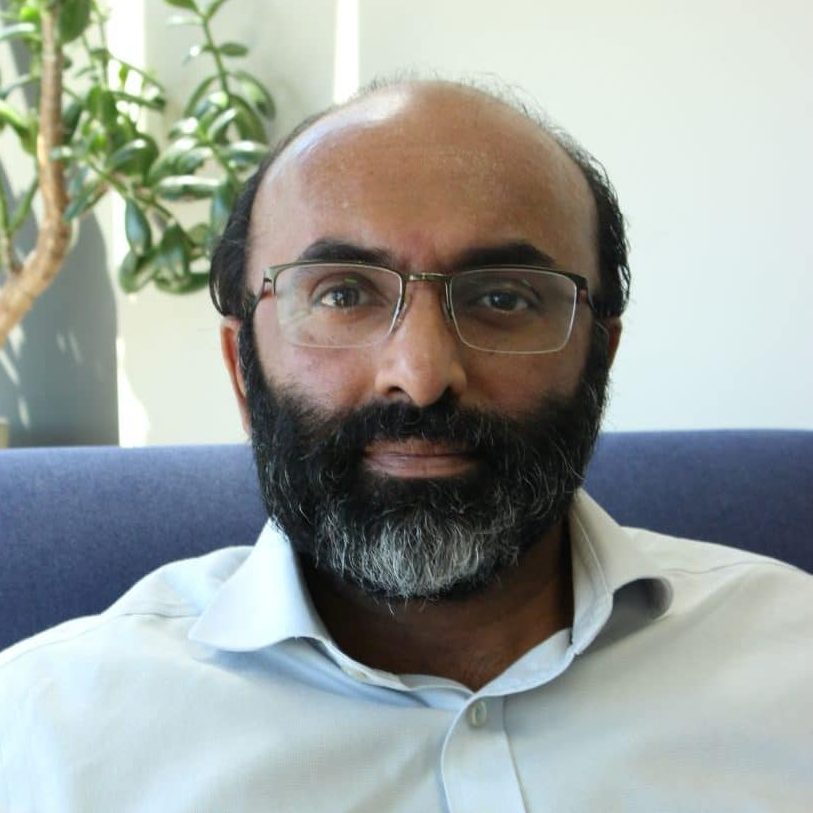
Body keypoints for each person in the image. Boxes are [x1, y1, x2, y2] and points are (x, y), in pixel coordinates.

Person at [1, 78, 811, 812]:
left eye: (503, 297)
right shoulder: (45, 735)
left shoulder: (791, 662)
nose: (421, 376)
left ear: (598, 356)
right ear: (242, 370)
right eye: (342, 294)